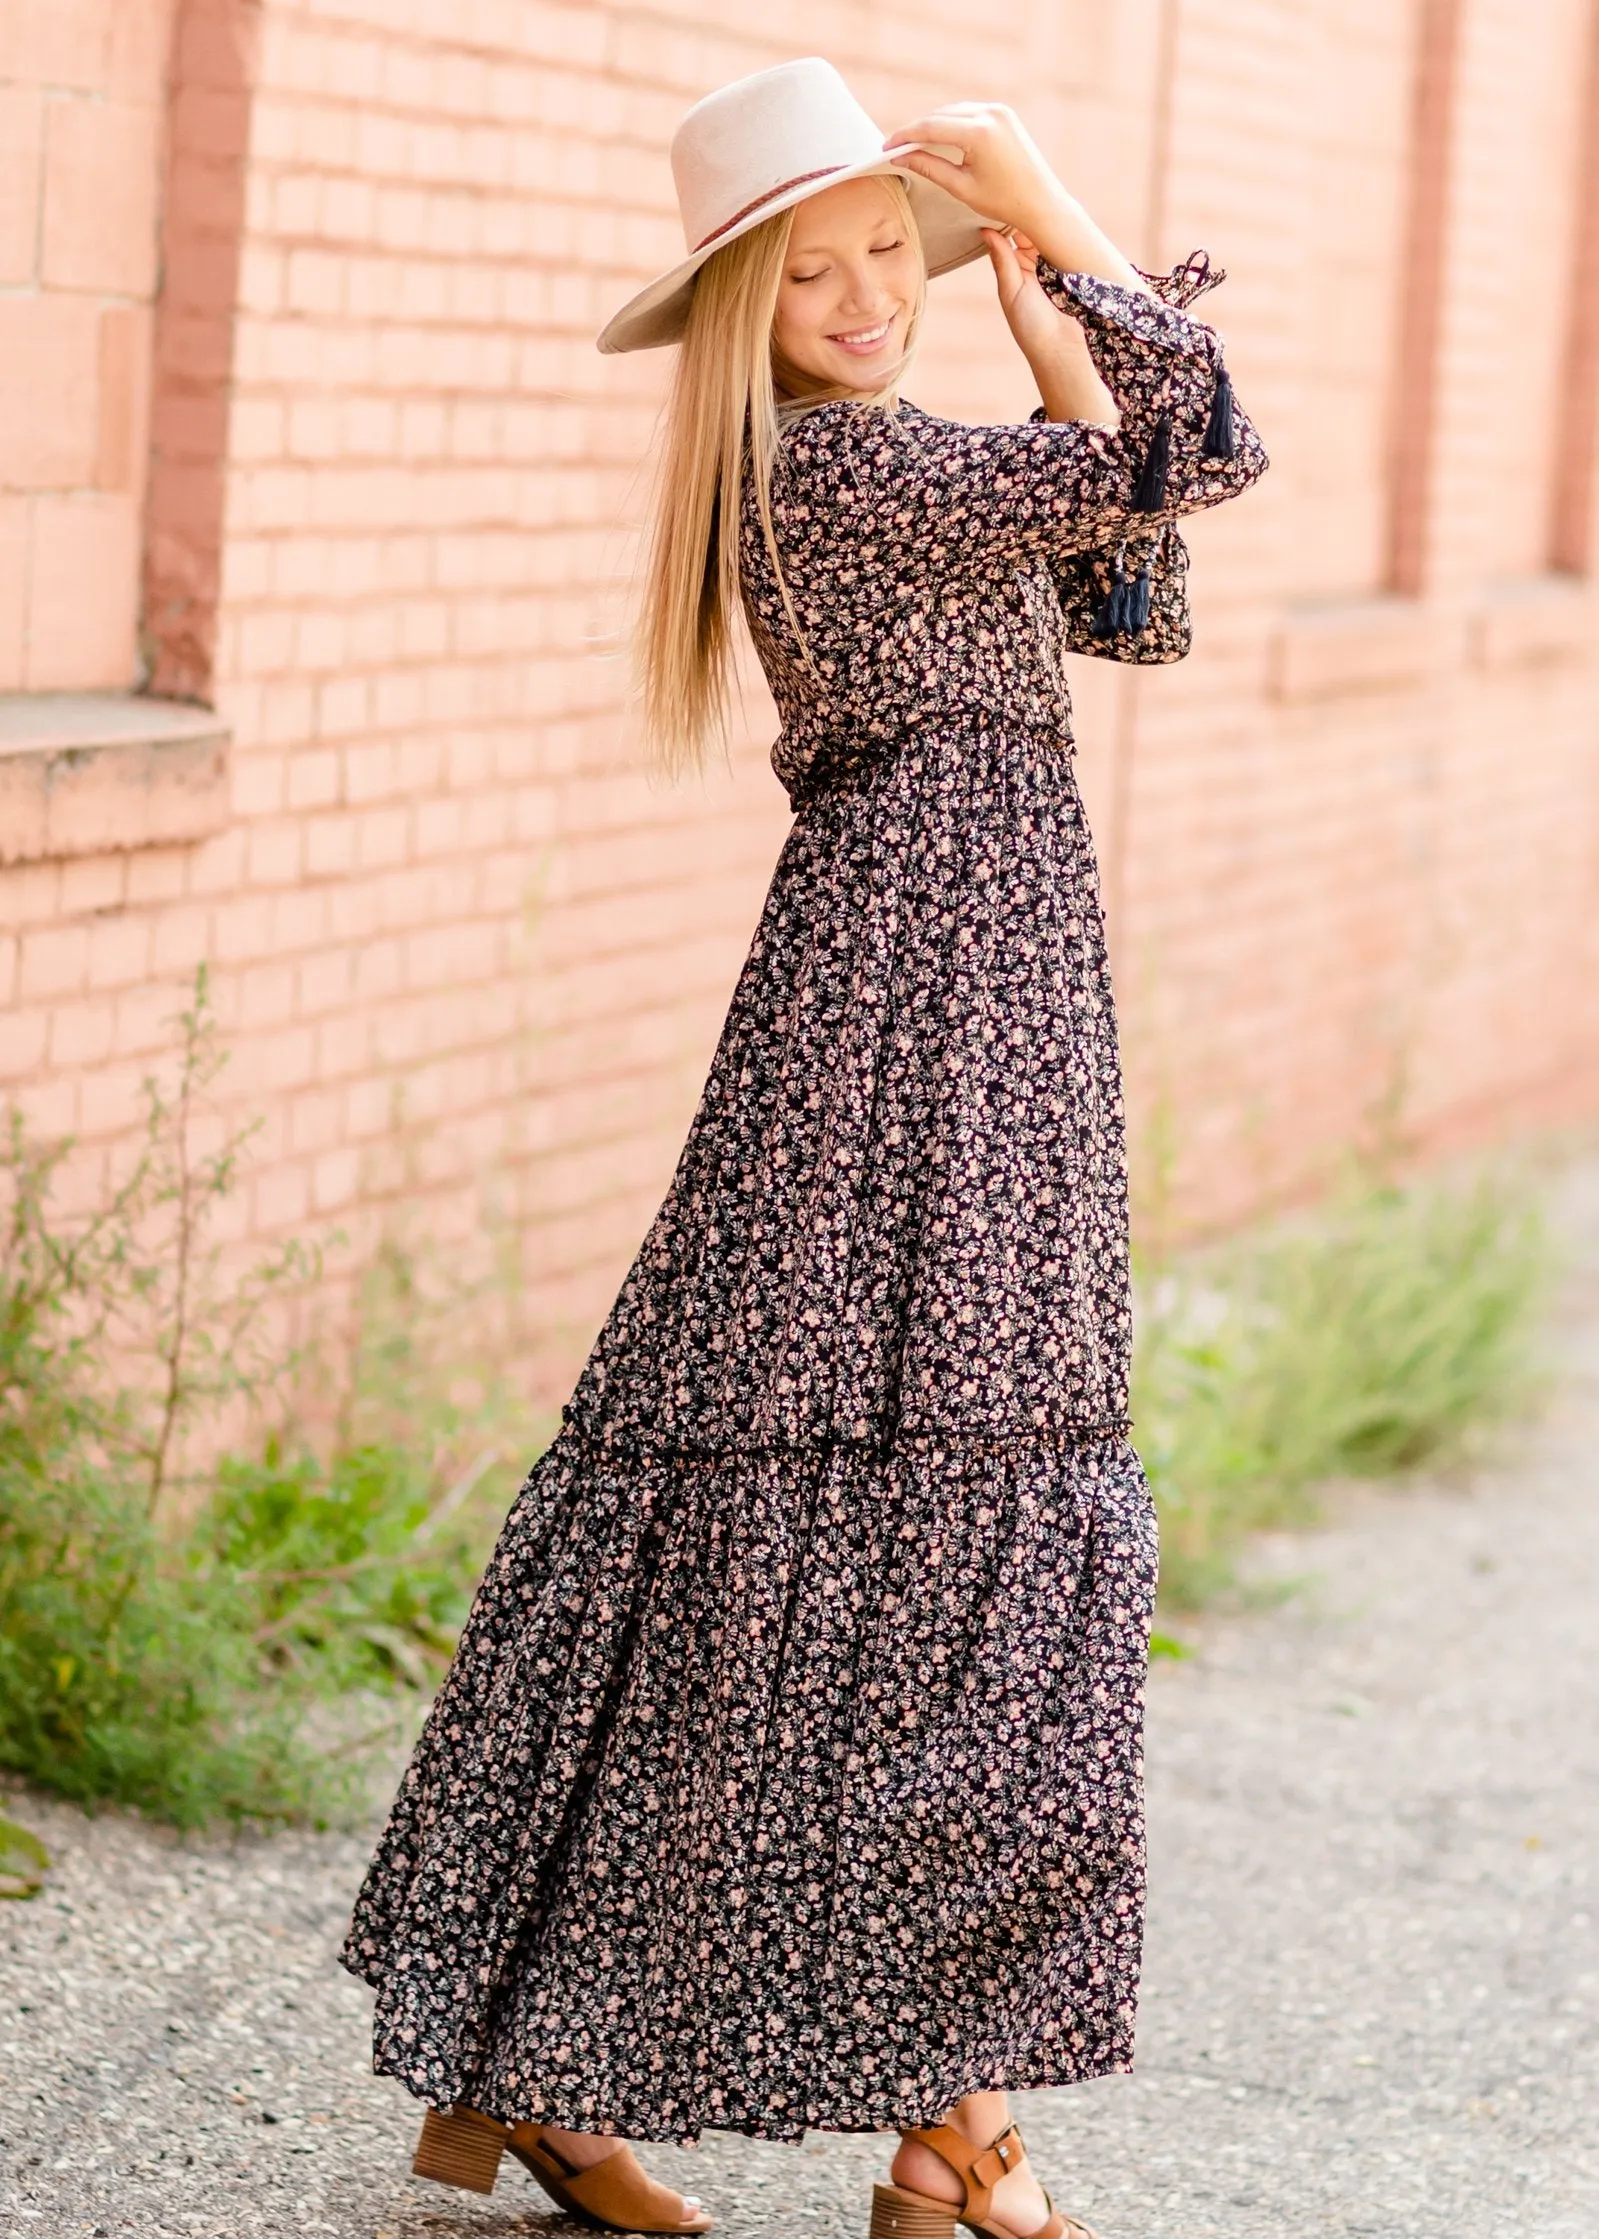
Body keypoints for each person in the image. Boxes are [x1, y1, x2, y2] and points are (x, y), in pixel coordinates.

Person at [341, 55, 1267, 2239]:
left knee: (908, 1538)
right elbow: (1202, 450)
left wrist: (1047, 331)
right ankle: (948, 2130)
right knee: (894, 1538)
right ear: (745, 311)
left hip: (983, 1001)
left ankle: (860, 2110)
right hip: (905, 1017)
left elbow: (1139, 597)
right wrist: (1055, 209)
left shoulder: (928, 468)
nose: (860, 296)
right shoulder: (836, 473)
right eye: (812, 269)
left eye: (887, 255)